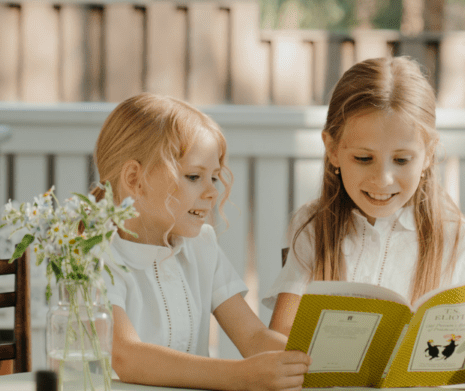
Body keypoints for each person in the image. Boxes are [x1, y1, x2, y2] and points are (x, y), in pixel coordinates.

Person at [263, 57, 465, 391]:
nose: (383, 179)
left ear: (428, 155)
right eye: (363, 158)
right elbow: (276, 349)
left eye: (402, 159)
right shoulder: (313, 230)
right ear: (333, 150)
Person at [94, 93, 311, 391]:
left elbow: (252, 337)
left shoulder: (202, 246)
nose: (212, 192)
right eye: (194, 177)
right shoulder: (92, 256)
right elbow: (127, 356)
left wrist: (313, 362)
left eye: (215, 178)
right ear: (135, 178)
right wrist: (240, 376)